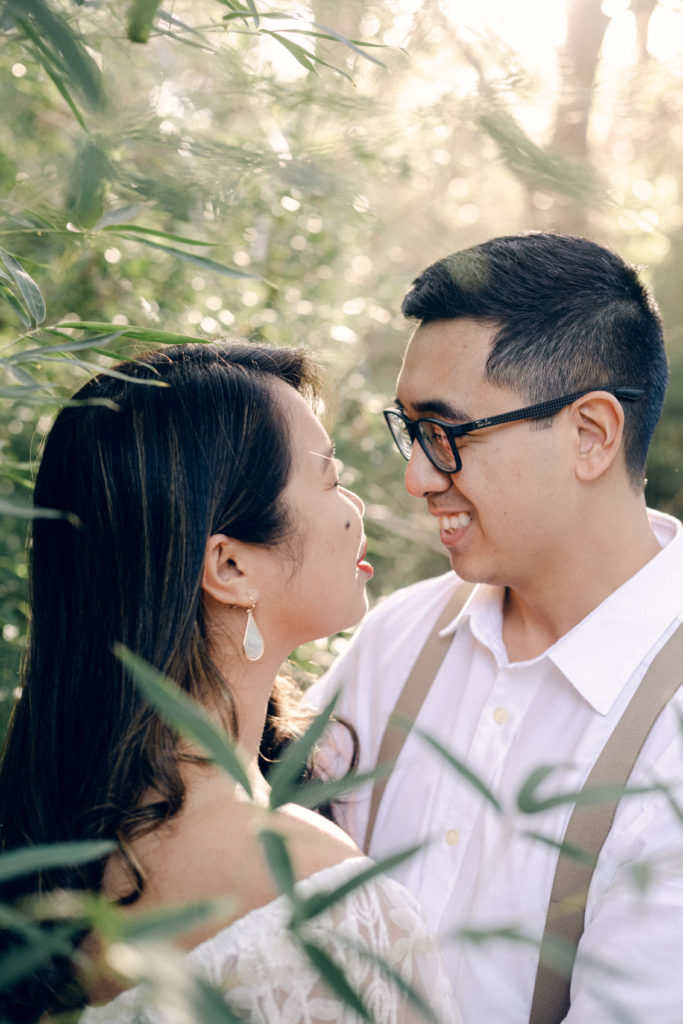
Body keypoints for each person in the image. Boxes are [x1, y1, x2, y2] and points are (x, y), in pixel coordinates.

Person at [0, 342, 460, 1024]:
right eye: (331, 478)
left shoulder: (43, 846)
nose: (356, 505)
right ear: (231, 568)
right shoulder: (309, 888)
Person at [307, 233, 683, 1024]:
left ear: (589, 434)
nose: (416, 477)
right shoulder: (396, 639)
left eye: (445, 435)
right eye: (410, 432)